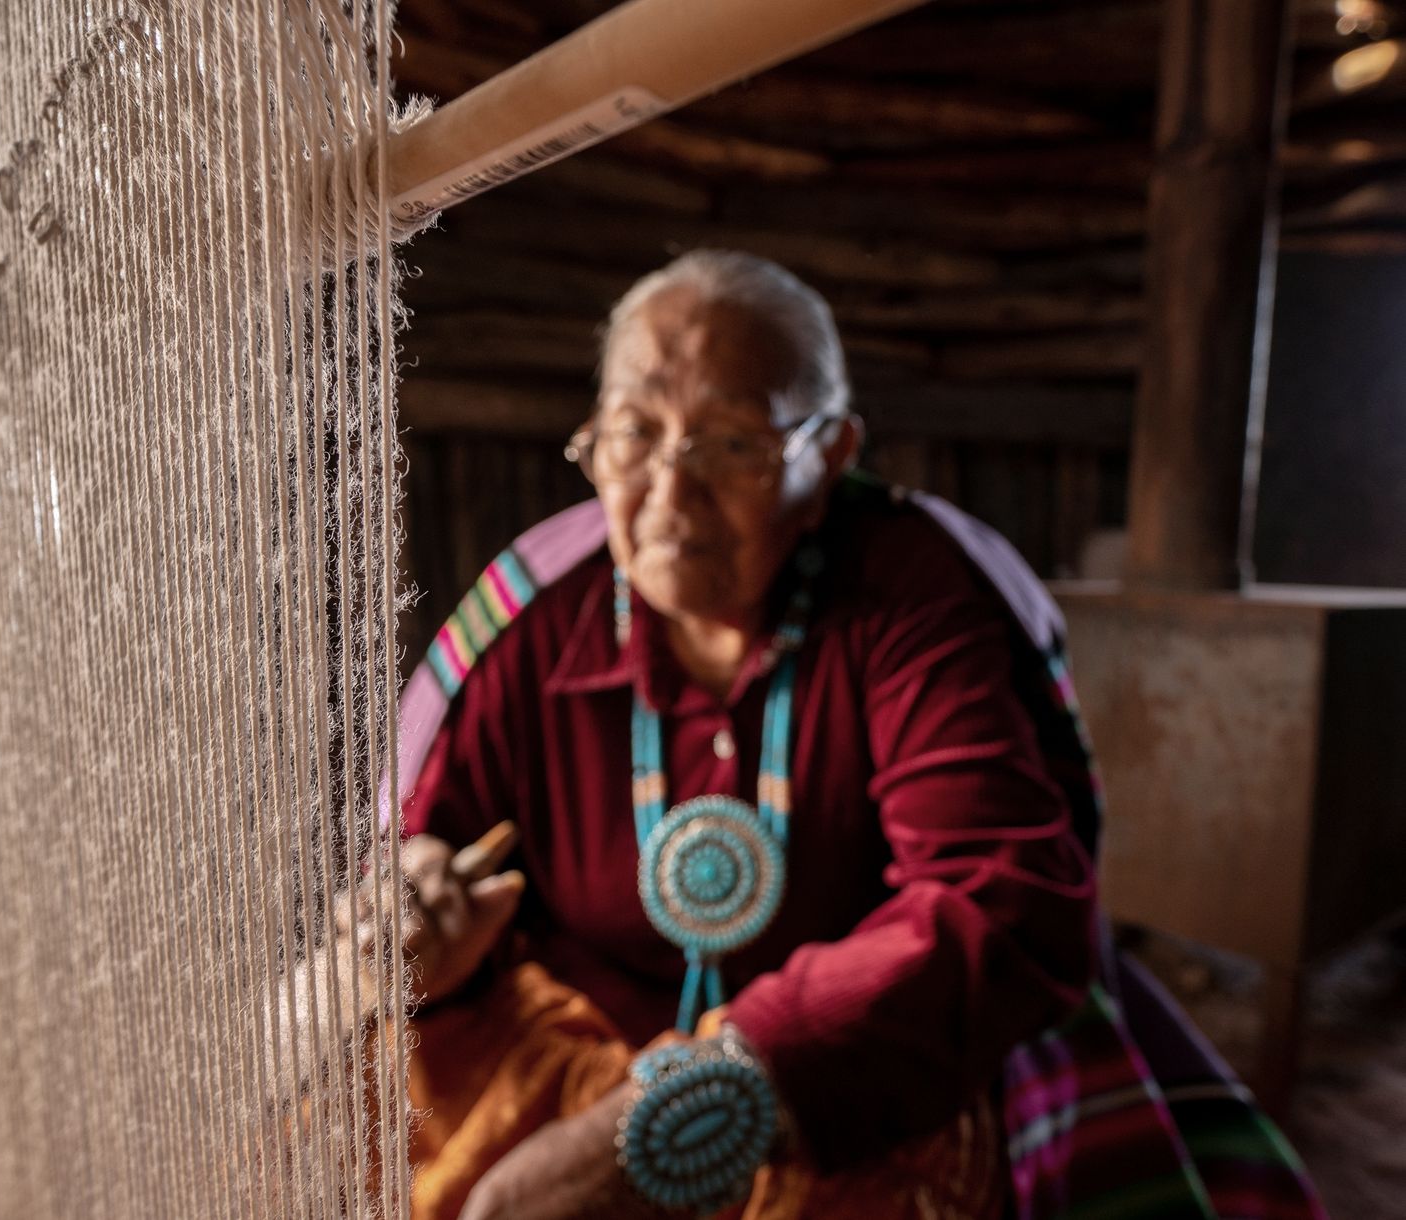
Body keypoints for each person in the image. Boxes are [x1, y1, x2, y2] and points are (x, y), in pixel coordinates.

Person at [356, 250, 1324, 1219]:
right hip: (571, 1044)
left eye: (732, 442)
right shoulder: (534, 611)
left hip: (833, 1081)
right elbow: (424, 840)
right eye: (634, 432)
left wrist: (697, 1107)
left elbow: (993, 894)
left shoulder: (915, 592)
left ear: (830, 452)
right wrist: (421, 899)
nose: (670, 488)